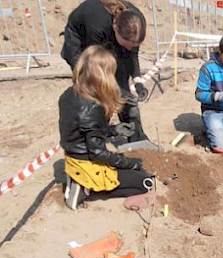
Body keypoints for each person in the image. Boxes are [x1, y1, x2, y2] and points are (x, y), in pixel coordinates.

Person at [59, 45, 153, 210]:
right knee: (145, 182)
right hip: (87, 164)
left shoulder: (68, 94)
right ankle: (85, 190)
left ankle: (80, 181)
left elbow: (82, 132)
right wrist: (130, 163)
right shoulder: (94, 107)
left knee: (130, 171)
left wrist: (114, 130)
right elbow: (98, 153)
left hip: (73, 157)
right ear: (102, 75)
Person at [61, 0, 149, 142]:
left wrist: (138, 82)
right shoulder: (96, 23)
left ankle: (135, 136)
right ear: (116, 30)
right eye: (128, 45)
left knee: (124, 90)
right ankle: (95, 135)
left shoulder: (137, 24)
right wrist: (116, 91)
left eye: (134, 45)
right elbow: (98, 68)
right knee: (96, 89)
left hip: (108, 39)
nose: (130, 48)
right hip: (80, 43)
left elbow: (132, 55)